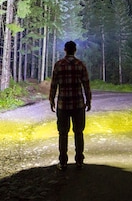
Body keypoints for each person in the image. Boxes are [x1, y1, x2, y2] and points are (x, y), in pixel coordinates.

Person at [49, 41, 92, 170]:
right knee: (79, 132)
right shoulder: (81, 65)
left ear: (65, 50)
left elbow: (54, 84)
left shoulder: (58, 65)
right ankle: (79, 160)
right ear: (75, 50)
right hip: (78, 104)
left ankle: (63, 162)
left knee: (63, 133)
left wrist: (51, 99)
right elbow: (86, 84)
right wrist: (88, 100)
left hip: (63, 105)